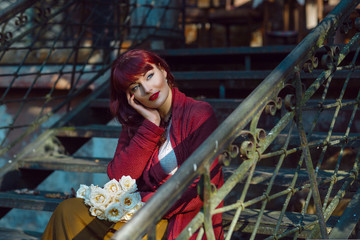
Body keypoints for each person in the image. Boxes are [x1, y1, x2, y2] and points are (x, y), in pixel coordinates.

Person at [42, 49, 224, 240]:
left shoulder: (199, 114)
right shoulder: (138, 122)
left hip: (178, 217)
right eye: (135, 86)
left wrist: (144, 201)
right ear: (131, 96)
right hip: (138, 210)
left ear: (162, 70)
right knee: (68, 212)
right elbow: (119, 176)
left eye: (149, 76)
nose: (147, 89)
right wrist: (151, 126)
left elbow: (202, 187)